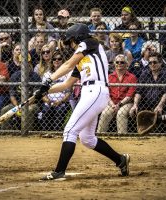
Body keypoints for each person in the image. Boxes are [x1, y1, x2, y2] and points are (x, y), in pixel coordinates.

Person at [35, 23, 130, 180]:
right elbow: (66, 84)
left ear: (77, 38)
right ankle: (121, 160)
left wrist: (49, 78)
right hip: (89, 93)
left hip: (96, 91)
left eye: (71, 41)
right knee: (87, 138)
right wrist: (44, 91)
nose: (71, 45)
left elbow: (66, 64)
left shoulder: (90, 43)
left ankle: (59, 171)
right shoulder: (83, 60)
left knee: (70, 131)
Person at [97, 54, 137, 134]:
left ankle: (122, 137)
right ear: (114, 63)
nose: (119, 64)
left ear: (126, 64)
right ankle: (100, 136)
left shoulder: (132, 77)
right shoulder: (109, 77)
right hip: (112, 103)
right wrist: (112, 105)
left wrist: (119, 104)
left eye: (122, 62)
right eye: (117, 62)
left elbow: (129, 95)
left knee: (121, 113)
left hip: (126, 103)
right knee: (105, 113)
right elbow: (106, 94)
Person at [0, 54, 41, 131]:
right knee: (5, 110)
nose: (25, 64)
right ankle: (5, 133)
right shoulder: (15, 76)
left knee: (29, 110)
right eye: (23, 62)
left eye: (27, 62)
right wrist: (17, 106)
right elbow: (12, 95)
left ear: (30, 62)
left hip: (32, 104)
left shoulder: (35, 76)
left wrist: (24, 105)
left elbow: (35, 96)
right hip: (17, 103)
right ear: (19, 63)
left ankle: (27, 132)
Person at [38, 51, 71, 131]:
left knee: (60, 111)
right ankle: (46, 131)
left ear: (62, 61)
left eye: (59, 59)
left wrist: (61, 101)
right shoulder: (47, 74)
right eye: (54, 59)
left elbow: (69, 92)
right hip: (48, 101)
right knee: (46, 110)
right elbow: (43, 91)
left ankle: (57, 131)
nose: (56, 61)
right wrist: (47, 100)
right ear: (52, 61)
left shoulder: (67, 74)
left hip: (62, 102)